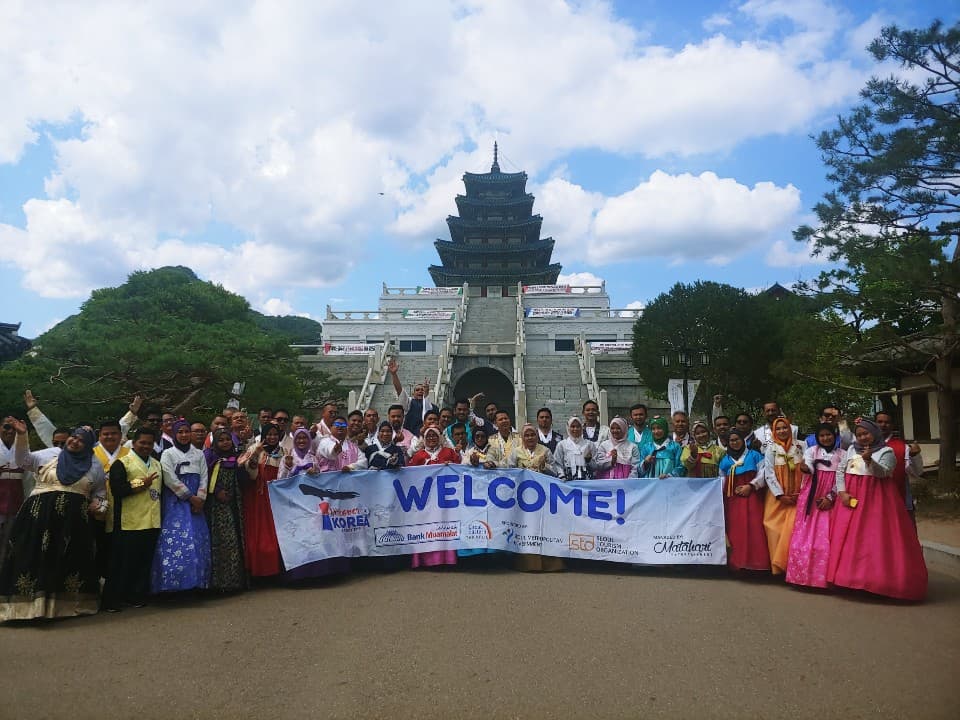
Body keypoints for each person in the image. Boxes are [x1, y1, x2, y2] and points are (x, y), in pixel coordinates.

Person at [0, 421, 105, 621]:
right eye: (74, 436)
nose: (75, 442)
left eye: (82, 441)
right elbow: (23, 461)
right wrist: (21, 436)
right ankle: (23, 610)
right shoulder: (49, 454)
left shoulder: (94, 465)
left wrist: (98, 505)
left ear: (89, 446)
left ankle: (61, 609)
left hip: (72, 525)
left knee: (66, 561)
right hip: (36, 519)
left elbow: (99, 492)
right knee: (30, 558)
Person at [827, 418, 927, 601]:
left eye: (866, 433)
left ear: (874, 433)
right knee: (850, 538)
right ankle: (850, 579)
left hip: (876, 499)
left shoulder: (886, 451)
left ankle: (877, 581)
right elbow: (840, 470)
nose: (863, 437)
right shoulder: (851, 449)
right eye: (859, 435)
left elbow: (884, 472)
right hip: (852, 498)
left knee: (874, 538)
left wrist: (870, 461)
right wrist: (841, 491)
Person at [102, 427, 162, 611]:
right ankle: (112, 600)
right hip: (129, 521)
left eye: (149, 443)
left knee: (143, 562)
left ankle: (135, 595)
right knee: (122, 563)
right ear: (134, 443)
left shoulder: (156, 463)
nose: (145, 446)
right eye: (142, 442)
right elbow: (117, 489)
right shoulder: (122, 463)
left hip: (152, 519)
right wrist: (139, 483)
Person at [151, 420, 211, 593]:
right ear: (175, 434)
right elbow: (169, 477)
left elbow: (204, 477)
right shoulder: (168, 454)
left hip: (196, 503)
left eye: (186, 432)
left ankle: (198, 582)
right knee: (176, 540)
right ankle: (173, 584)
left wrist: (200, 498)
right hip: (176, 500)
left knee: (197, 539)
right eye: (180, 432)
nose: (184, 435)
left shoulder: (199, 454)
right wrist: (189, 496)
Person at [785, 423, 841, 589]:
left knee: (826, 538)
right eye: (822, 436)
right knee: (804, 538)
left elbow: (841, 478)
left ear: (834, 435)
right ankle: (800, 576)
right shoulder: (811, 451)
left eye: (828, 435)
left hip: (830, 497)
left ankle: (824, 579)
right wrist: (804, 468)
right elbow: (808, 466)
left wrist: (830, 496)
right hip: (811, 496)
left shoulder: (842, 454)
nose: (826, 438)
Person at [507, 425, 562, 572]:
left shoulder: (545, 451)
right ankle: (527, 564)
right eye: (527, 435)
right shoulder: (516, 452)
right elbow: (510, 471)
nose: (530, 438)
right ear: (522, 438)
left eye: (532, 435)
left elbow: (556, 471)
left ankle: (550, 564)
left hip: (543, 496)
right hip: (523, 498)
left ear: (537, 436)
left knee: (544, 527)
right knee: (526, 528)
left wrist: (544, 467)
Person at [717, 428, 769, 572]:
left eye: (737, 439)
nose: (734, 443)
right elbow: (721, 480)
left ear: (743, 440)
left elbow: (764, 473)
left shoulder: (755, 455)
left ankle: (757, 563)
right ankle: (738, 563)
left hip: (752, 496)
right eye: (731, 441)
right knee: (736, 530)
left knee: (755, 527)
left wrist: (751, 485)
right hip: (732, 499)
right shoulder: (725, 461)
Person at [203, 428, 248, 593]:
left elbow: (243, 478)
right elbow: (205, 476)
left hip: (235, 503)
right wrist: (217, 490)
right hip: (217, 506)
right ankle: (220, 583)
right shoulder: (209, 456)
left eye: (227, 439)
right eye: (221, 440)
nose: (225, 443)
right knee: (222, 541)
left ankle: (236, 581)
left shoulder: (236, 457)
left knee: (236, 540)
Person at [408, 427, 459, 569]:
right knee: (425, 527)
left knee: (445, 526)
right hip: (425, 500)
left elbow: (460, 469)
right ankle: (424, 560)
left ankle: (446, 559)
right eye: (428, 436)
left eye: (434, 436)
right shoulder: (418, 456)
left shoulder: (449, 452)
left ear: (439, 437)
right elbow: (410, 475)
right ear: (424, 438)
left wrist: (452, 466)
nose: (431, 438)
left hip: (445, 500)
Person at [239, 423, 285, 578]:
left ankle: (275, 570)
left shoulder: (284, 452)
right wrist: (255, 455)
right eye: (269, 434)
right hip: (258, 496)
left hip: (276, 498)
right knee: (258, 534)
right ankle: (258, 571)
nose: (272, 438)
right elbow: (249, 472)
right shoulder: (254, 448)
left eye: (275, 434)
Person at [762, 416, 805, 575]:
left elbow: (807, 471)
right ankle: (779, 567)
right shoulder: (771, 449)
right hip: (777, 498)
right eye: (778, 428)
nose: (782, 431)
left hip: (797, 497)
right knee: (775, 529)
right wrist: (780, 495)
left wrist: (800, 492)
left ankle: (794, 568)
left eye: (784, 428)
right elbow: (769, 474)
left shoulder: (801, 446)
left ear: (790, 429)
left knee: (794, 531)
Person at [875, 410, 923, 522]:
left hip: (898, 496)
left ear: (892, 425)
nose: (883, 425)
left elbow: (918, 472)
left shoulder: (902, 447)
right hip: (873, 500)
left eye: (887, 422)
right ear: (874, 424)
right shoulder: (865, 446)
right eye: (880, 422)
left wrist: (915, 456)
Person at [387, 357, 436, 437]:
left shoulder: (432, 407)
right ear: (413, 393)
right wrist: (394, 374)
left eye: (422, 389)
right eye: (417, 390)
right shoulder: (409, 403)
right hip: (410, 437)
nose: (420, 391)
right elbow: (400, 391)